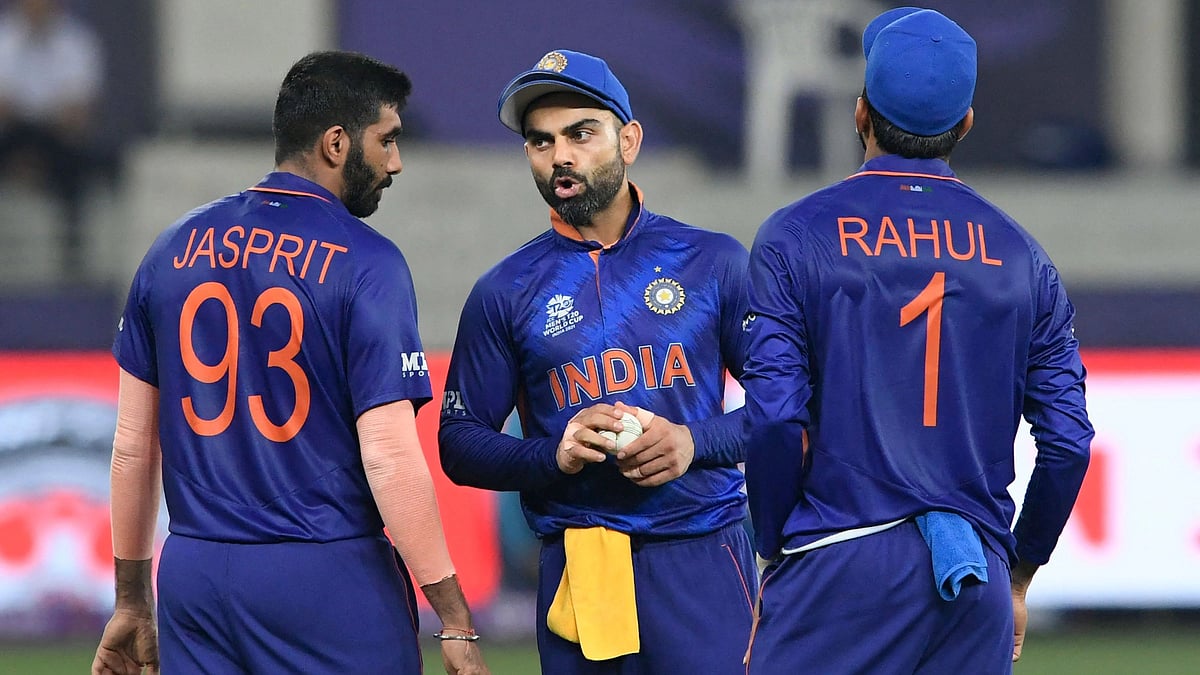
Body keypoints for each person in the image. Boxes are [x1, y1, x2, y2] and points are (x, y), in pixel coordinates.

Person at [92, 51, 489, 675]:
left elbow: (132, 448)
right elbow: (387, 454)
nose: (395, 162)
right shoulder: (367, 261)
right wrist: (454, 613)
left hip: (194, 574)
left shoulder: (169, 249)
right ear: (337, 143)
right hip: (323, 574)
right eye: (386, 140)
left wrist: (131, 599)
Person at [740, 8, 1093, 673]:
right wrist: (1017, 573)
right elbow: (1069, 442)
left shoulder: (794, 235)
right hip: (970, 579)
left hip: (833, 560)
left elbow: (778, 418)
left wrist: (773, 544)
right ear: (965, 125)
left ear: (859, 112)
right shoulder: (1024, 256)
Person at [439, 49, 756, 673]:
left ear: (628, 139)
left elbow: (790, 403)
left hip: (703, 558)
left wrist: (693, 443)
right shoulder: (505, 290)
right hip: (578, 568)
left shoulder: (714, 262)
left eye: (581, 133)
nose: (561, 155)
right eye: (541, 140)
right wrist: (551, 455)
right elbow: (459, 441)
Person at [0, 0, 104, 276]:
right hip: (12, 134)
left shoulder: (76, 42)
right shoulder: (5, 38)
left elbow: (77, 113)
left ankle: (72, 257)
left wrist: (29, 112)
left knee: (76, 169)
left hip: (55, 138)